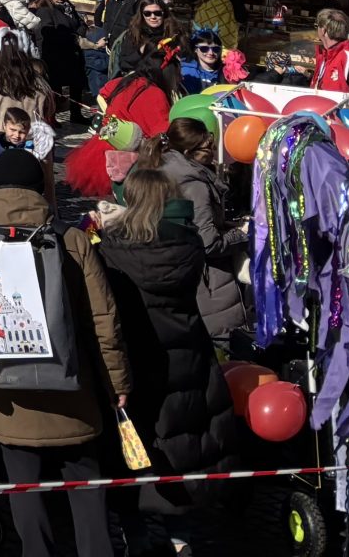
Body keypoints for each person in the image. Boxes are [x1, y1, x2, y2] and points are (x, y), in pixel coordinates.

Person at [0, 150, 131, 557]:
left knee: (25, 492)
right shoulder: (71, 238)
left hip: (6, 393)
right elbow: (103, 319)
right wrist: (117, 383)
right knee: (86, 488)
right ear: (41, 189)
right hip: (73, 390)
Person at [95, 166, 232, 481]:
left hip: (136, 348)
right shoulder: (188, 243)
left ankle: (143, 517)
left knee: (142, 436)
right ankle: (189, 511)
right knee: (188, 428)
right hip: (187, 345)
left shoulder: (112, 247)